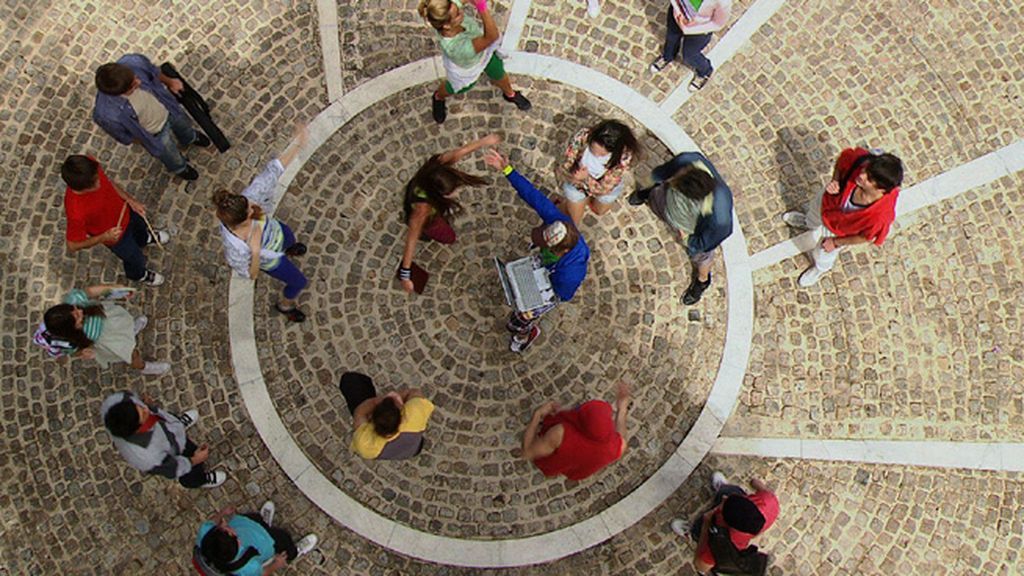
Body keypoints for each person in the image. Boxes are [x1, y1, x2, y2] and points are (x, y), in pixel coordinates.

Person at [483, 148, 591, 352]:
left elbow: (562, 294)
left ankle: (526, 333)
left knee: (520, 318)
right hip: (549, 266)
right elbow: (533, 196)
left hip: (553, 286)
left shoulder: (572, 272)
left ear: (563, 250)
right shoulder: (560, 222)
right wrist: (507, 169)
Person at [215, 125, 310, 322]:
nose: (255, 206)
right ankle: (285, 305)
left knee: (289, 236)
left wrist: (297, 145)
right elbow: (251, 274)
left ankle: (290, 248)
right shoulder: (236, 248)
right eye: (252, 211)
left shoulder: (249, 199)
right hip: (272, 260)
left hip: (279, 232)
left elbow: (273, 171)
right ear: (242, 221)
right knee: (298, 281)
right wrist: (256, 251)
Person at [781, 147, 904, 287]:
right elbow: (841, 163)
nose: (862, 176)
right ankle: (808, 222)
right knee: (812, 217)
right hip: (827, 203)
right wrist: (835, 180)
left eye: (869, 179)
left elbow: (865, 237)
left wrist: (836, 242)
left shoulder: (880, 216)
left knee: (823, 254)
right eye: (866, 170)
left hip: (839, 231)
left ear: (881, 189)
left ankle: (819, 269)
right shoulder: (860, 160)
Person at [628, 151, 732, 305]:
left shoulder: (720, 218)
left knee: (702, 257)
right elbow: (662, 174)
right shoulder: (688, 161)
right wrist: (652, 183)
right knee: (657, 193)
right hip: (667, 204)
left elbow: (705, 243)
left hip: (690, 229)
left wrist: (688, 239)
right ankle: (646, 194)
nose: (672, 179)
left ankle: (702, 281)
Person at [399, 134, 498, 293]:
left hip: (425, 202)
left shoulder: (436, 168)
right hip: (430, 221)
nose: (455, 194)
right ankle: (431, 235)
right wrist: (405, 275)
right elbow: (411, 237)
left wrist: (484, 142)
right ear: (437, 195)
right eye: (450, 193)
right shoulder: (422, 211)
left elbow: (461, 151)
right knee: (448, 237)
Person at [93, 53, 211, 180]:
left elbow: (154, 72)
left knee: (184, 125)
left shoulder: (134, 62)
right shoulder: (106, 114)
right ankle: (180, 168)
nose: (139, 82)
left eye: (135, 77)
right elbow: (124, 136)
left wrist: (170, 82)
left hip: (167, 107)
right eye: (132, 86)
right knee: (170, 155)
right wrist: (147, 140)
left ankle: (190, 138)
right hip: (155, 133)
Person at [61, 155, 169, 286]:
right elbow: (73, 245)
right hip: (118, 238)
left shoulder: (90, 168)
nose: (100, 182)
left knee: (141, 228)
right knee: (136, 259)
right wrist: (104, 237)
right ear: (82, 188)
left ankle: (144, 238)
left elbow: (109, 183)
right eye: (95, 182)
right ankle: (140, 275)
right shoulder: (76, 211)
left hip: (127, 212)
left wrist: (130, 200)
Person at [418, 0, 531, 124]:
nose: (461, 11)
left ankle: (510, 94)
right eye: (458, 14)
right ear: (447, 26)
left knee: (499, 72)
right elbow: (491, 37)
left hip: (483, 54)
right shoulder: (457, 47)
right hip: (467, 68)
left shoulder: (449, 9)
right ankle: (438, 97)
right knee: (454, 87)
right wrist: (482, 8)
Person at [100, 391, 226, 489]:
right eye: (143, 414)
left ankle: (179, 425)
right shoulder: (148, 456)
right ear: (136, 430)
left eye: (140, 406)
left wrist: (146, 404)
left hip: (169, 431)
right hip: (172, 449)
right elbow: (172, 468)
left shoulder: (122, 404)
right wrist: (196, 459)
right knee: (190, 466)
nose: (145, 409)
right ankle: (198, 480)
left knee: (169, 425)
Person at [39, 285, 170, 375]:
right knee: (132, 354)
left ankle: (130, 331)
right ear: (71, 330)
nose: (80, 311)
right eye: (77, 317)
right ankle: (143, 367)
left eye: (74, 309)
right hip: (108, 340)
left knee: (125, 324)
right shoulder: (70, 342)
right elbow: (75, 352)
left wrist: (113, 289)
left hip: (109, 320)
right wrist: (84, 354)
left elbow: (89, 291)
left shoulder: (73, 301)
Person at [670, 472, 779, 574]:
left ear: (727, 523)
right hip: (738, 505)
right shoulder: (769, 503)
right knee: (729, 491)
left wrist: (705, 526)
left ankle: (692, 530)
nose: (724, 498)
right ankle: (723, 488)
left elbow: (700, 566)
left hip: (713, 527)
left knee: (699, 530)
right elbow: (760, 488)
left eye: (724, 504)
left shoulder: (723, 545)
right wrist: (755, 483)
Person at [521, 382, 631, 480]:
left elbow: (528, 452)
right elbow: (622, 437)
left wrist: (538, 414)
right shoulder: (615, 447)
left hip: (555, 455)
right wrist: (622, 409)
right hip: (577, 469)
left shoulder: (561, 433)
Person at [556, 120, 640, 227]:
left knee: (599, 211)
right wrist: (574, 175)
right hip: (576, 184)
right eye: (592, 150)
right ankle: (567, 206)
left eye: (601, 155)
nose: (595, 155)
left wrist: (585, 178)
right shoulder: (583, 136)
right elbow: (568, 159)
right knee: (573, 222)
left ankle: (584, 202)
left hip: (601, 186)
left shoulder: (622, 159)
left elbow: (603, 189)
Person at [195, 503, 318, 575]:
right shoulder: (246, 567)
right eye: (234, 535)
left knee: (256, 518)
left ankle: (264, 523)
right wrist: (276, 564)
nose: (225, 523)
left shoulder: (205, 532)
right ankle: (295, 551)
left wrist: (222, 513)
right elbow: (262, 573)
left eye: (225, 526)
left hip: (246, 523)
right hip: (267, 542)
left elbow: (212, 521)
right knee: (284, 539)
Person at [344, 372, 436, 460]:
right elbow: (414, 392)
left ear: (372, 417)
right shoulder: (414, 416)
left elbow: (359, 412)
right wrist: (397, 398)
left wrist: (376, 401)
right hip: (413, 447)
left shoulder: (365, 445)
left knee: (351, 381)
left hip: (382, 448)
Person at [649, 0, 732, 92]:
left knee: (690, 55)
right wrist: (678, 11)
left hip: (699, 29)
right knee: (671, 38)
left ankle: (704, 71)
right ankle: (668, 56)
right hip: (678, 14)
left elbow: (717, 24)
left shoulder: (723, 2)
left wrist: (688, 29)